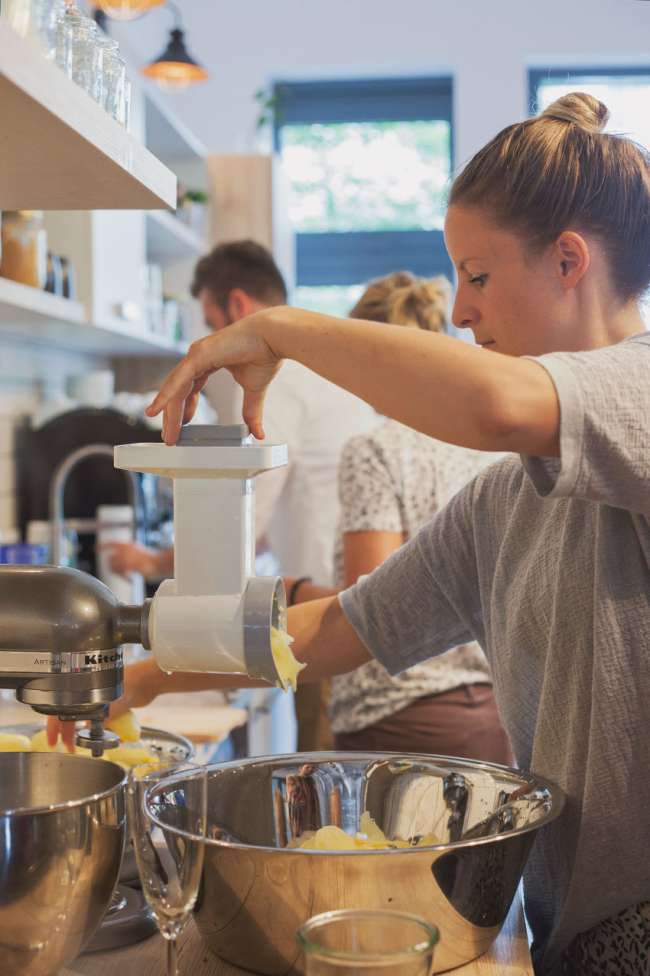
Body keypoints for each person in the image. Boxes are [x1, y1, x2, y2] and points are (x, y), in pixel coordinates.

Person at [139, 93, 650, 975]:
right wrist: (136, 678)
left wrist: (274, 329)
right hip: (570, 927)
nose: (459, 310)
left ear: (570, 261)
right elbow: (335, 629)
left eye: (479, 276)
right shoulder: (502, 504)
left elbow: (493, 401)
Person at [104, 239, 378, 749]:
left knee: (326, 782)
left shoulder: (280, 384)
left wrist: (150, 564)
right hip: (346, 606)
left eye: (212, 324)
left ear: (237, 307)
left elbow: (238, 524)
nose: (212, 340)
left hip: (329, 620)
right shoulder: (316, 375)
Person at [322, 271, 511, 762]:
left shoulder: (375, 451)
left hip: (396, 719)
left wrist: (294, 594)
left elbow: (372, 604)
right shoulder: (490, 446)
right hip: (492, 712)